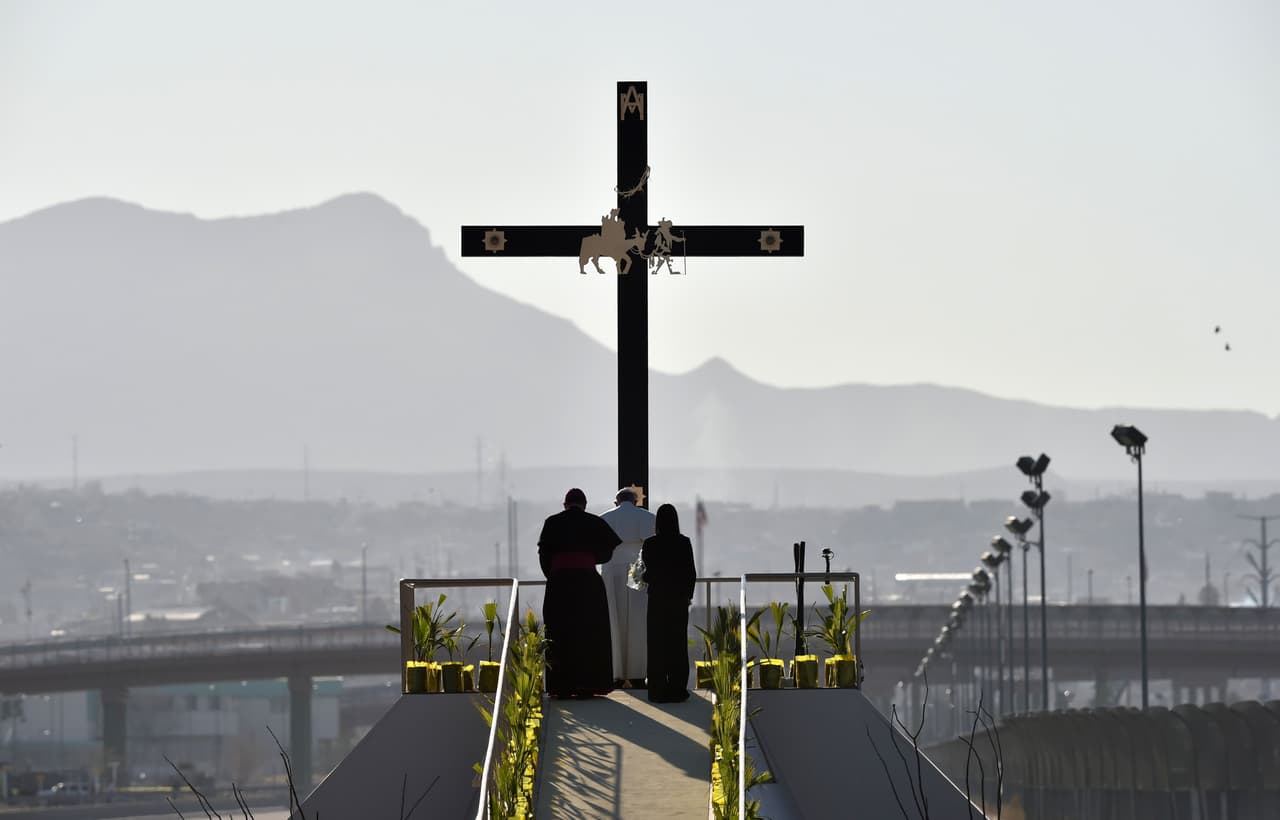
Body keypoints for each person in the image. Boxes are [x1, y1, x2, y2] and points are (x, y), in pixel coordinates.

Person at [538, 487, 621, 698]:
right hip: (588, 584)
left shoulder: (552, 522)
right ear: (585, 505)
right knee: (590, 632)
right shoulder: (594, 522)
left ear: (565, 505)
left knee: (560, 632)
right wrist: (589, 560)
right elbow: (607, 553)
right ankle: (588, 684)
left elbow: (544, 555)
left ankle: (562, 686)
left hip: (559, 584)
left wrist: (555, 575)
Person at [640, 503, 697, 703]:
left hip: (657, 600)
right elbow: (691, 573)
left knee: (657, 645)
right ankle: (677, 688)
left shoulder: (650, 544)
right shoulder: (684, 542)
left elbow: (647, 574)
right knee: (677, 644)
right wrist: (688, 596)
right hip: (678, 600)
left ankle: (657, 689)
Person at [600, 487, 656, 687]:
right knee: (639, 623)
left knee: (613, 622)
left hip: (611, 571)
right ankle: (638, 672)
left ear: (616, 502)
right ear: (635, 502)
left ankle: (615, 672)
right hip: (638, 570)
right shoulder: (648, 517)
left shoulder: (604, 518)